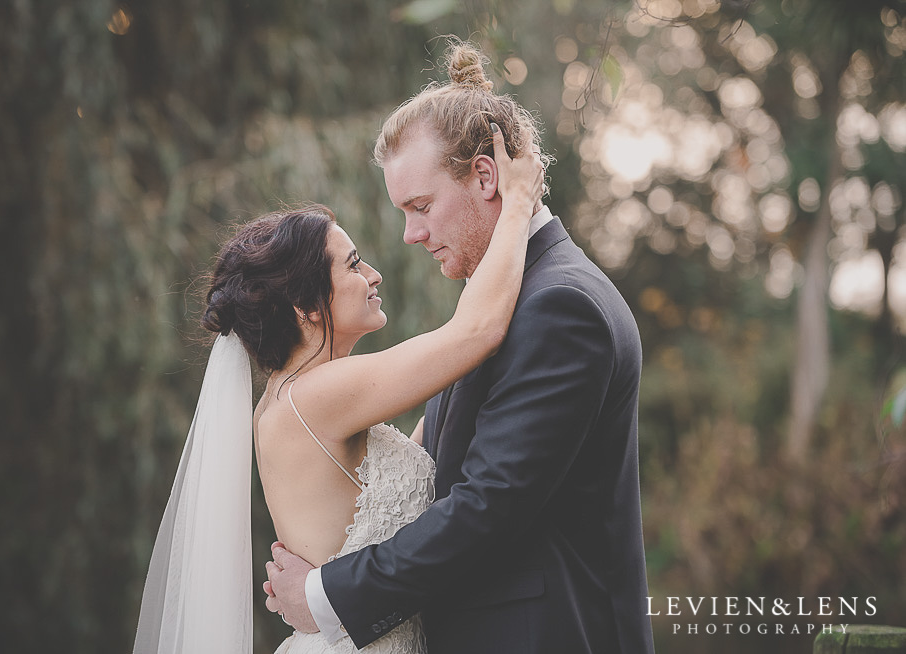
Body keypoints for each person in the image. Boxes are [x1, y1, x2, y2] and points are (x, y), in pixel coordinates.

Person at [265, 40, 656, 654]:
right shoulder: (506, 299)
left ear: (485, 176)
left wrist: (327, 593)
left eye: (420, 207)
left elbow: (488, 505)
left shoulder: (561, 306)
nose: (410, 235)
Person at [131, 119, 545, 654]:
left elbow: (408, 456)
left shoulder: (297, 399)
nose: (374, 274)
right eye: (353, 265)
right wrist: (516, 204)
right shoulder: (319, 394)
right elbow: (477, 331)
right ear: (305, 306)